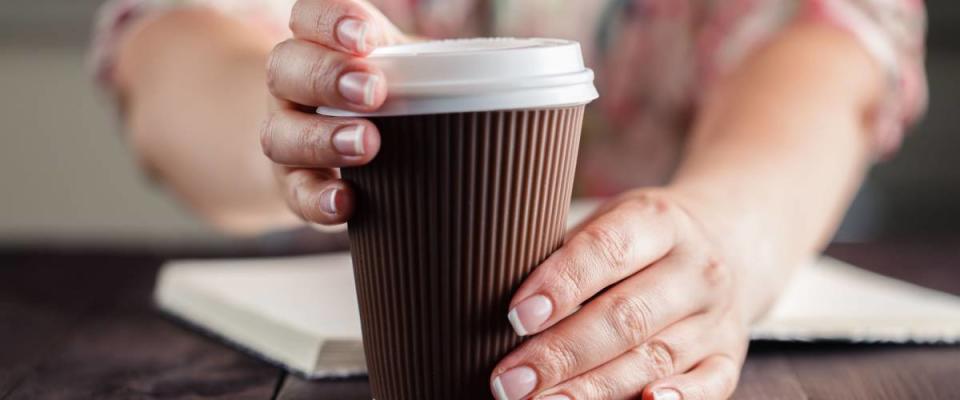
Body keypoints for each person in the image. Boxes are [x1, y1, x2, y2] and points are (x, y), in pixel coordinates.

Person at [92, 0, 927, 399]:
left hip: (680, 321)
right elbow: (170, 54)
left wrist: (730, 236)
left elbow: (832, 51)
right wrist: (290, 117)